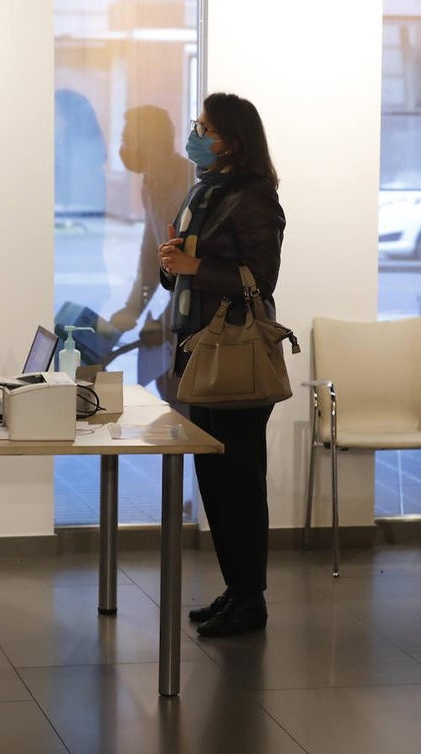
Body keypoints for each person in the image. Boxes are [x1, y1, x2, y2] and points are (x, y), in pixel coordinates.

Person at [157, 92, 285, 638]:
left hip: (234, 353)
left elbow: (260, 279)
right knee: (213, 477)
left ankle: (251, 600)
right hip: (198, 347)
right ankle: (236, 590)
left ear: (232, 141)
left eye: (205, 127)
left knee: (239, 483)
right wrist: (175, 264)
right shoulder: (206, 193)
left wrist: (195, 265)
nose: (196, 135)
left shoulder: (255, 198)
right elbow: (187, 272)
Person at [109, 105, 196, 406]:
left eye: (128, 139)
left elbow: (188, 269)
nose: (123, 148)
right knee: (168, 391)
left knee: (182, 402)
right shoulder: (151, 184)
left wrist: (162, 323)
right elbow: (150, 258)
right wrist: (131, 310)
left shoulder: (187, 184)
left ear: (148, 141)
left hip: (197, 320)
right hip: (178, 316)